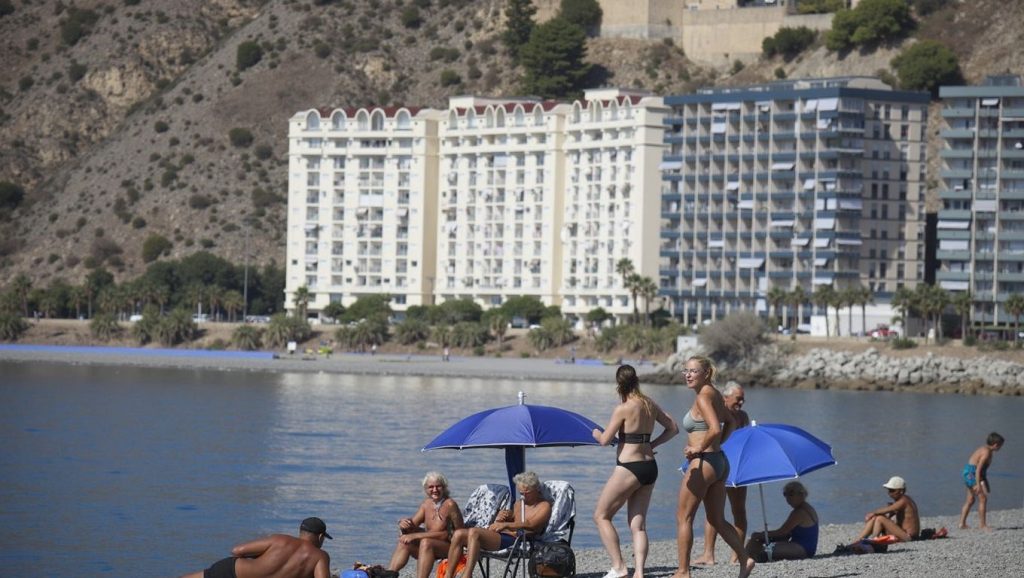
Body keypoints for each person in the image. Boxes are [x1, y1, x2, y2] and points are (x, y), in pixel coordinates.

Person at [592, 365, 680, 578]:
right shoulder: (649, 404)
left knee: (601, 516)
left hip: (629, 467)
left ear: (619, 384)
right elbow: (673, 428)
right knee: (638, 525)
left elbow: (605, 440)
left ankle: (619, 567)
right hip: (649, 467)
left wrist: (595, 433)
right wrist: (653, 445)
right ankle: (639, 573)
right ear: (636, 380)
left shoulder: (623, 408)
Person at [672, 356, 754, 578]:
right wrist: (716, 446)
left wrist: (698, 447)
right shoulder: (714, 393)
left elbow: (716, 429)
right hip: (719, 462)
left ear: (706, 373)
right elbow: (732, 422)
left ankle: (683, 571)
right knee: (717, 519)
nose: (688, 375)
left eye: (693, 371)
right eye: (686, 371)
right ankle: (745, 559)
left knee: (683, 517)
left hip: (704, 462)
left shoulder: (704, 397)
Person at [443, 471, 551, 578]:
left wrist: (506, 525)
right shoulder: (519, 504)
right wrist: (503, 516)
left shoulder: (544, 506)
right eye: (521, 493)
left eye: (526, 492)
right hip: (502, 535)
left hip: (516, 540)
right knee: (459, 534)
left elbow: (531, 524)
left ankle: (467, 574)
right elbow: (513, 518)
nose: (523, 496)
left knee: (474, 532)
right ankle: (449, 575)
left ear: (536, 489)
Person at [693, 381, 750, 566]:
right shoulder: (717, 413)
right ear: (725, 398)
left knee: (738, 510)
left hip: (737, 467)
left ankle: (737, 556)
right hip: (720, 463)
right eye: (738, 399)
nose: (740, 403)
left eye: (742, 400)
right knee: (713, 511)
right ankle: (709, 554)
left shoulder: (743, 416)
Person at [180, 517, 332, 578]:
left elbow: (237, 550)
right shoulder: (320, 556)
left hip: (235, 571)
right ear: (320, 537)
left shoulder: (280, 539)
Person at [388, 472, 464, 578]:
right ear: (426, 489)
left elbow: (451, 535)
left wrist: (416, 536)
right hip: (430, 548)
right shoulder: (426, 504)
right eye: (431, 487)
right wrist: (403, 524)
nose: (435, 490)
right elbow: (412, 526)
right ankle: (390, 574)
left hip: (451, 548)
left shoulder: (450, 504)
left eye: (438, 486)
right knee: (404, 541)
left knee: (425, 542)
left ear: (444, 487)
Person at [744, 481, 818, 562]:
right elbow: (787, 534)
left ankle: (746, 560)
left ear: (801, 494)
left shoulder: (799, 512)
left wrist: (760, 534)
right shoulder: (807, 508)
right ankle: (746, 558)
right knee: (758, 542)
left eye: (791, 494)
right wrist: (764, 537)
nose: (788, 498)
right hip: (803, 547)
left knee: (763, 549)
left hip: (803, 548)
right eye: (785, 494)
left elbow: (782, 532)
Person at [958, 432, 1005, 530]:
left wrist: (986, 483)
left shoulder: (986, 450)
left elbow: (982, 471)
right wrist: (978, 484)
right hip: (972, 473)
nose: (1001, 448)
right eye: (1000, 446)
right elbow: (978, 469)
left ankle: (961, 524)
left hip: (969, 472)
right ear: (996, 445)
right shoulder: (986, 452)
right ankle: (982, 525)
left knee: (970, 500)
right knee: (983, 498)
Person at [852, 476, 920, 543]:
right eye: (889, 490)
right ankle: (859, 540)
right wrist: (888, 514)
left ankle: (874, 539)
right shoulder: (903, 500)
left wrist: (872, 513)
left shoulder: (903, 501)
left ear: (901, 491)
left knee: (880, 518)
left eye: (892, 491)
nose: (889, 493)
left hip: (909, 536)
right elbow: (890, 514)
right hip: (903, 533)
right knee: (876, 518)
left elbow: (887, 509)